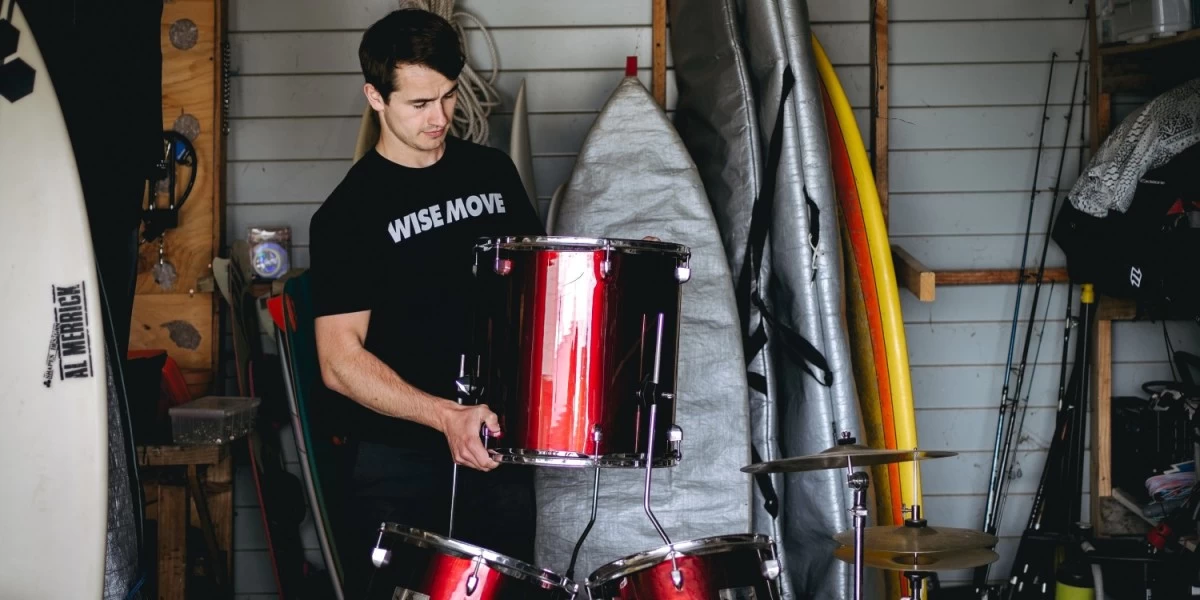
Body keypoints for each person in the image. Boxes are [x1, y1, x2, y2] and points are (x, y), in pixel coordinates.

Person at [306, 8, 543, 597]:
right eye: (419, 104)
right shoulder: (347, 215)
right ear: (375, 97)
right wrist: (444, 416)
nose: (439, 118)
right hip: (399, 463)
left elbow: (537, 289)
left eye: (447, 97)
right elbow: (338, 362)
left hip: (497, 449)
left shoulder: (493, 173)